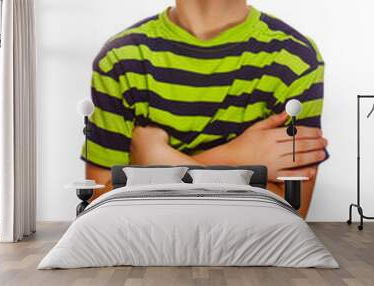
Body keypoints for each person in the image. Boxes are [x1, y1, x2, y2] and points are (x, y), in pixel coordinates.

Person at [81, 0, 328, 218]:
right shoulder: (120, 60)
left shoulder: (295, 59)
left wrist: (156, 161)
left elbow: (289, 213)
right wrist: (237, 158)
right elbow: (100, 206)